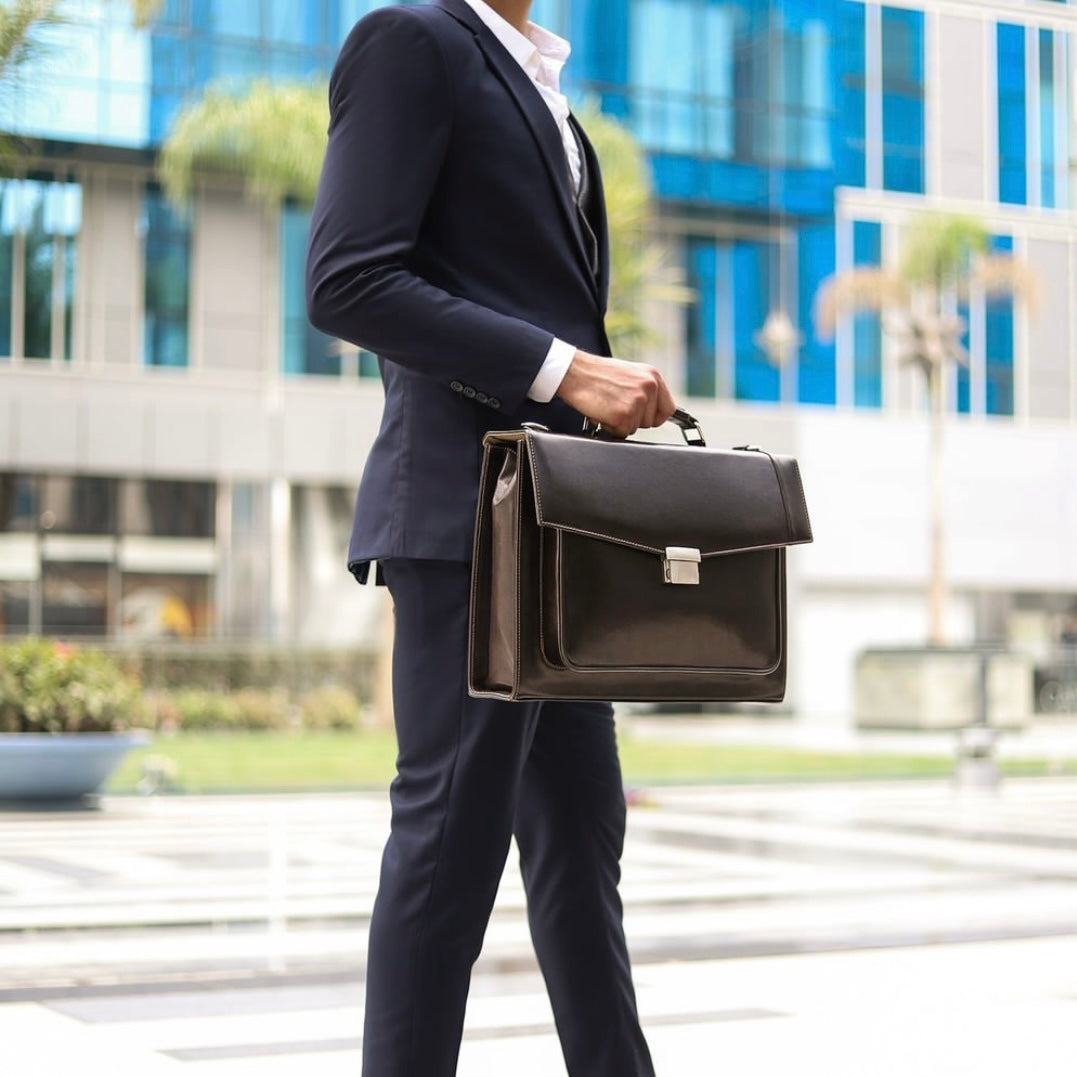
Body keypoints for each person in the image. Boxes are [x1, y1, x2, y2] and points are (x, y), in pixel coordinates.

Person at [306, 1, 675, 1073]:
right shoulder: (411, 42)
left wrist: (588, 390)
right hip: (471, 519)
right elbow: (347, 278)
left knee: (580, 847)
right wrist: (567, 369)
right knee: (449, 850)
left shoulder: (547, 89)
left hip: (557, 530)